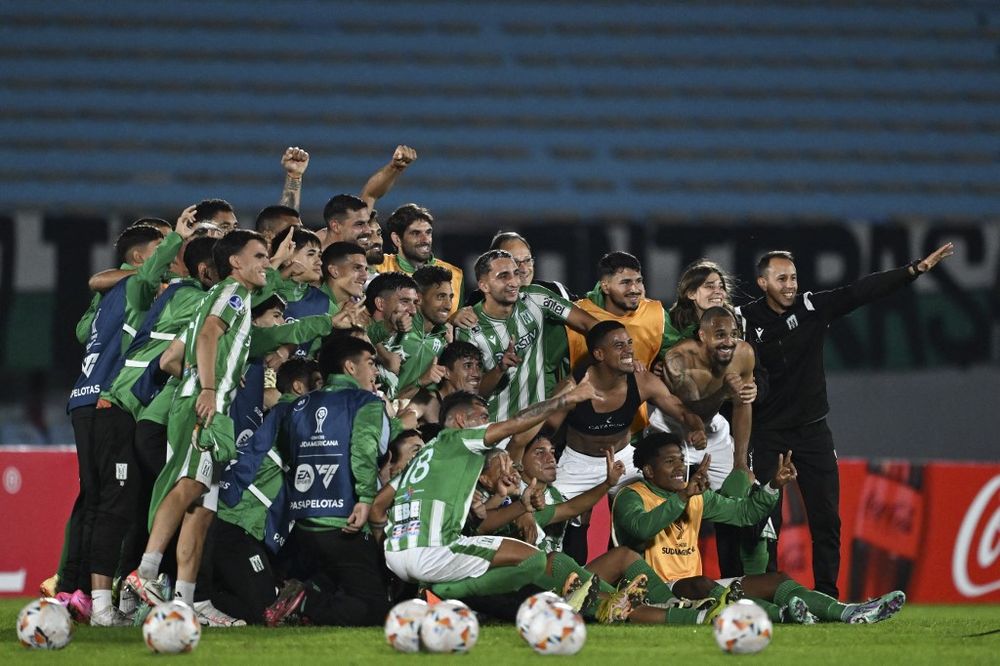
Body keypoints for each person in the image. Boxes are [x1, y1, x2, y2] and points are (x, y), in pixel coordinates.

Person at [737, 243, 954, 598]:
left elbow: (859, 292)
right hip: (767, 435)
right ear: (762, 283)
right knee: (765, 523)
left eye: (793, 277)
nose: (790, 284)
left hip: (813, 434)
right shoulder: (744, 319)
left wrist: (912, 271)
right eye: (781, 279)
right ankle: (767, 597)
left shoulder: (812, 307)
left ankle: (826, 596)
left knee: (826, 520)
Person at [124, 230, 275, 610]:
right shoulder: (233, 294)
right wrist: (207, 387)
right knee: (190, 486)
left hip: (208, 403)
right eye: (259, 256)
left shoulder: (213, 298)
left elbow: (170, 360)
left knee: (203, 511)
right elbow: (208, 334)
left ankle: (186, 602)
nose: (267, 264)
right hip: (205, 407)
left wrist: (214, 375)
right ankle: (145, 573)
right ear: (235, 262)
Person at [613, 433, 905, 624]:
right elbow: (641, 529)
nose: (679, 467)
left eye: (681, 460)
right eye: (669, 462)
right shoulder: (632, 496)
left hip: (694, 589)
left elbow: (744, 514)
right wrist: (683, 497)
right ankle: (782, 616)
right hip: (654, 592)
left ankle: (849, 611)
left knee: (774, 580)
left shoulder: (695, 495)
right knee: (702, 583)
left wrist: (772, 487)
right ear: (649, 471)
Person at [257, 337, 396, 627]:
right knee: (376, 610)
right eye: (370, 363)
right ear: (349, 367)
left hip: (304, 521)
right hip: (343, 520)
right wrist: (366, 500)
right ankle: (305, 601)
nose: (376, 372)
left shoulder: (298, 405)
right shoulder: (366, 403)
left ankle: (305, 597)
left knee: (341, 581)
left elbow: (288, 449)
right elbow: (365, 451)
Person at [548, 320, 706, 563]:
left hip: (623, 457)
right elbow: (547, 429)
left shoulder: (642, 382)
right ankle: (572, 584)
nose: (629, 350)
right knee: (552, 518)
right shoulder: (573, 386)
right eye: (619, 346)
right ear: (599, 354)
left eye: (629, 343)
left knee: (650, 504)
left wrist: (696, 427)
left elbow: (681, 410)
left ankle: (629, 577)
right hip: (578, 462)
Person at [457, 249, 598, 422]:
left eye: (515, 273)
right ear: (484, 285)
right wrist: (499, 369)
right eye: (503, 276)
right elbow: (471, 394)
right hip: (496, 428)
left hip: (537, 424)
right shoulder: (468, 329)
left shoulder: (536, 298)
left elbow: (590, 324)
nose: (514, 282)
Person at [374, 204, 465, 315]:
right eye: (416, 233)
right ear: (397, 239)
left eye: (428, 232)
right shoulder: (378, 268)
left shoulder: (455, 275)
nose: (425, 239)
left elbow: (457, 321)